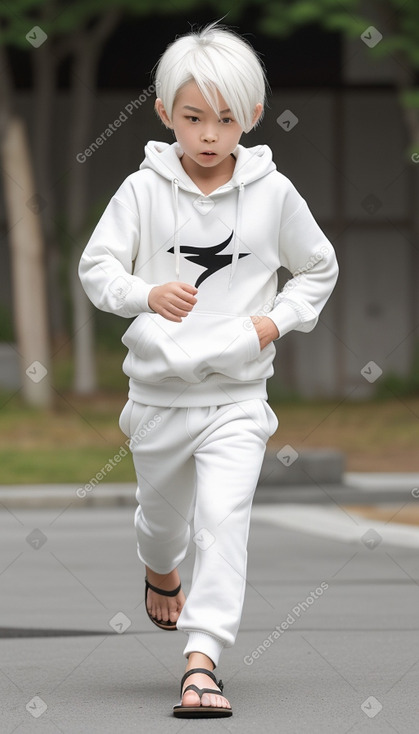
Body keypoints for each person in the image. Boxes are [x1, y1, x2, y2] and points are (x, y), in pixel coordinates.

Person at [78, 21, 339, 718]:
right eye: (193, 118)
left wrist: (271, 321)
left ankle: (202, 664)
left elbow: (317, 267)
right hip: (158, 397)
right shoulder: (141, 191)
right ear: (165, 115)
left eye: (225, 119)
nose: (208, 134)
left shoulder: (273, 193)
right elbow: (96, 268)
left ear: (251, 117)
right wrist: (145, 293)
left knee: (222, 520)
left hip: (238, 397)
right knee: (163, 528)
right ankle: (158, 571)